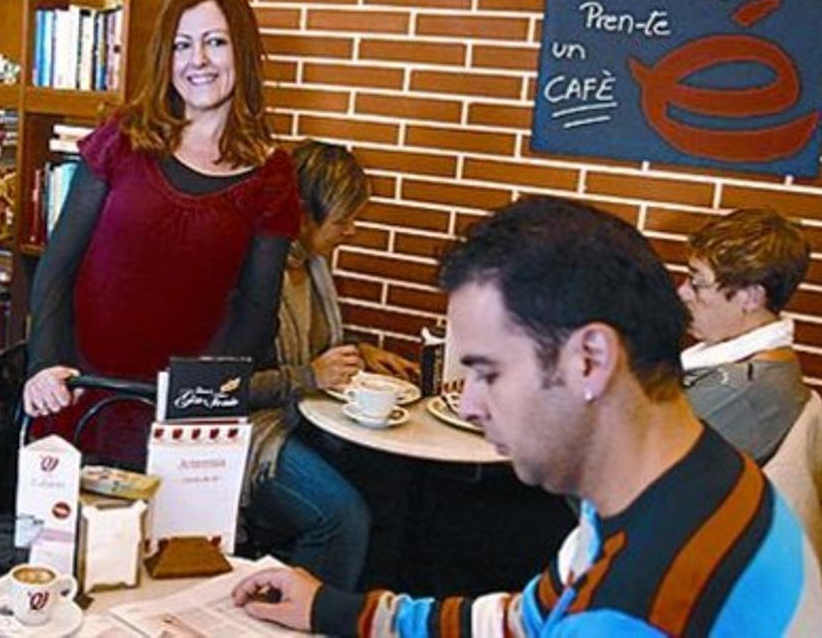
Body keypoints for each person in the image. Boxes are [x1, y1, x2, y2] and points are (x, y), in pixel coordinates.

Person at [232, 197, 822, 636]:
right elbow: (528, 616)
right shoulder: (683, 479)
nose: (468, 403)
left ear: (590, 359)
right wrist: (333, 608)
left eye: (489, 372)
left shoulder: (633, 604)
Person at [23, 0, 299, 464]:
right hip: (80, 392)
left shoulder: (271, 175)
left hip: (182, 419)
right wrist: (45, 366)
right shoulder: (122, 138)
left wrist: (197, 402)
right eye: (182, 45)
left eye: (216, 42)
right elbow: (57, 266)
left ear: (245, 54)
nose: (198, 61)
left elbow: (256, 313)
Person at [245, 141, 415, 589]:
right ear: (300, 215)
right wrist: (310, 376)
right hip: (250, 434)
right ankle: (301, 616)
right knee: (341, 518)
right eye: (343, 219)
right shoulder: (252, 274)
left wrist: (358, 352)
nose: (353, 230)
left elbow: (316, 348)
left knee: (397, 484)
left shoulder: (313, 266)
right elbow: (221, 388)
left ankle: (362, 612)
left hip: (304, 419)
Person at [678, 208, 811, 464]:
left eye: (698, 282)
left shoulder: (733, 390)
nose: (683, 292)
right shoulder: (771, 363)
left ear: (751, 297)